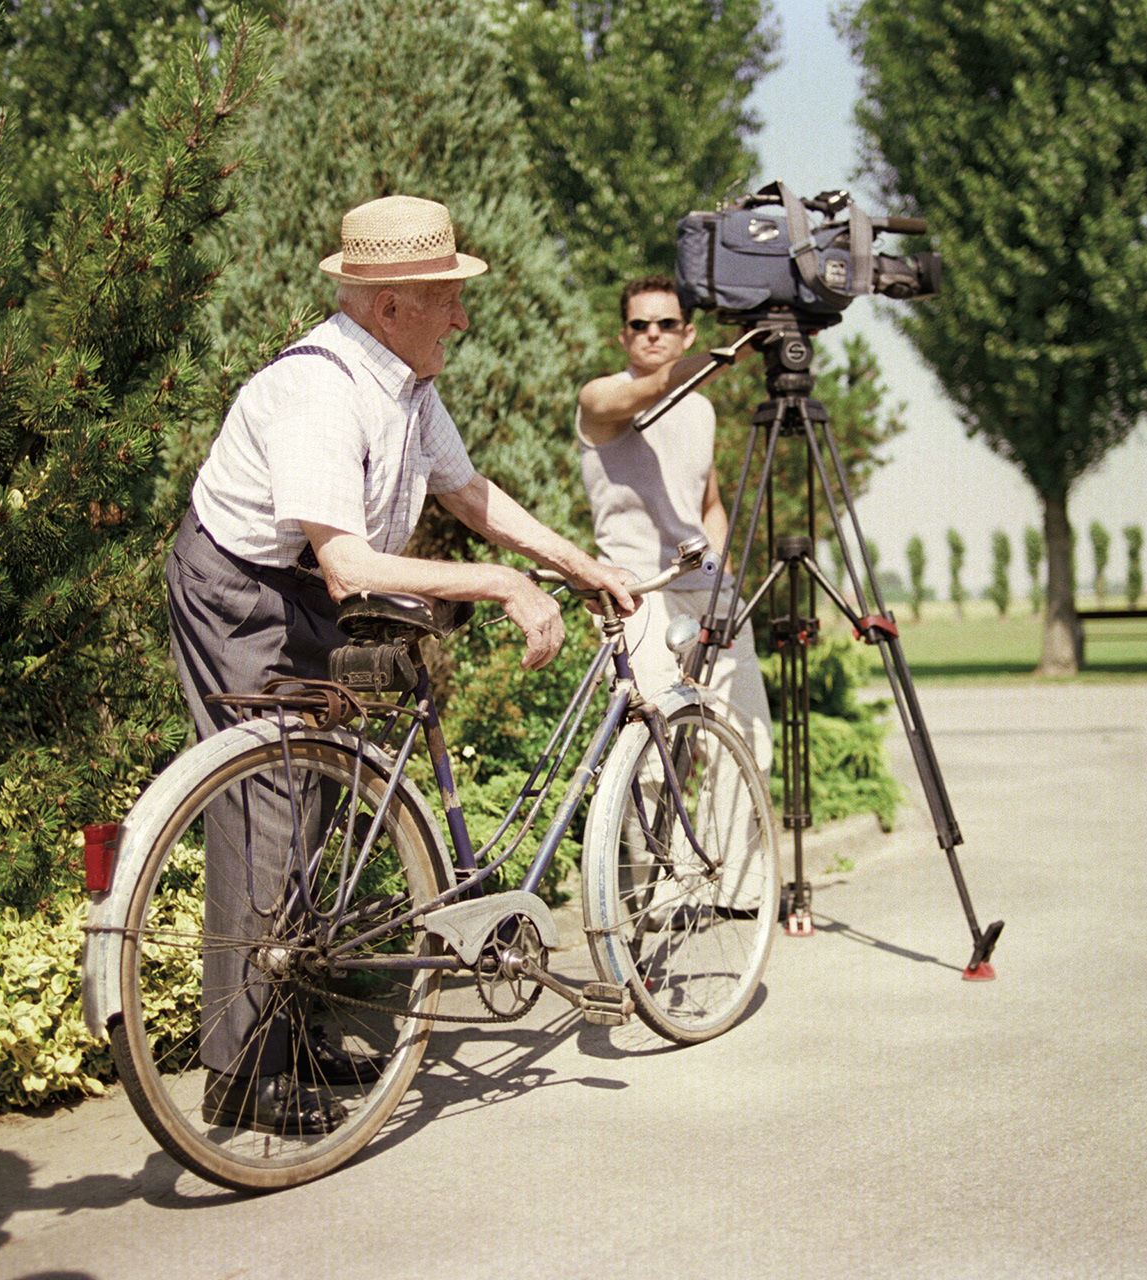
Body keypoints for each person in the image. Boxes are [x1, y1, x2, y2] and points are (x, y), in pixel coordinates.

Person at [166, 194, 635, 1135]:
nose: (463, 316)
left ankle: (292, 1030)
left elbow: (467, 492)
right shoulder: (319, 391)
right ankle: (244, 1075)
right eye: (446, 298)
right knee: (271, 810)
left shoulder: (405, 382)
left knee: (327, 798)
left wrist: (582, 568)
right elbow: (348, 566)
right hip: (243, 586)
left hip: (306, 585)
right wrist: (503, 586)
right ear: (388, 307)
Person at [574, 275, 774, 773]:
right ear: (622, 336)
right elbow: (659, 385)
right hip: (636, 598)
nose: (653, 334)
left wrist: (722, 572)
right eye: (639, 325)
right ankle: (652, 858)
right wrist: (741, 348)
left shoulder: (701, 409)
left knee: (746, 757)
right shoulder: (600, 398)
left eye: (667, 324)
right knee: (650, 768)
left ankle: (736, 857)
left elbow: (710, 503)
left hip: (710, 596)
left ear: (687, 334)